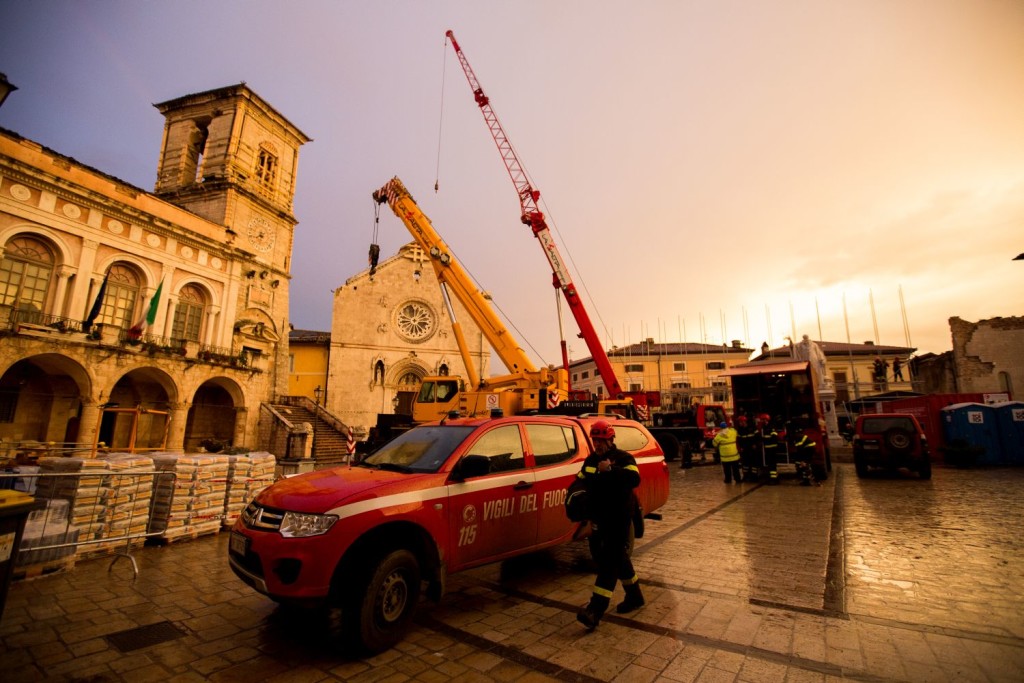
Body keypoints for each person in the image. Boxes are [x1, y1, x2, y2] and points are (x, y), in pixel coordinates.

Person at [576, 419, 644, 631]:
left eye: (602, 440)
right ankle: (635, 597)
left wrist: (610, 470)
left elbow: (634, 479)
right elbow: (580, 480)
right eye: (595, 440)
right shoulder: (589, 460)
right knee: (618, 558)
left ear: (611, 440)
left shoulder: (623, 458)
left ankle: (595, 610)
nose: (598, 444)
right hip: (600, 517)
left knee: (609, 561)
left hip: (619, 517)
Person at [758, 414, 780, 484]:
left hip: (772, 448)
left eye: (762, 420)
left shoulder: (771, 427)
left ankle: (774, 480)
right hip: (768, 448)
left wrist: (763, 438)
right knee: (770, 464)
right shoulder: (765, 427)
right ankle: (773, 478)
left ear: (766, 420)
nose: (762, 421)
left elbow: (774, 437)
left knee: (772, 464)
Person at [735, 414, 758, 482]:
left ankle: (754, 477)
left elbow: (757, 436)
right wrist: (741, 447)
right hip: (745, 449)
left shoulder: (752, 428)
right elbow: (739, 439)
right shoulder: (740, 430)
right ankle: (746, 476)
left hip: (752, 448)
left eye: (740, 422)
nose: (739, 423)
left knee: (753, 463)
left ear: (744, 422)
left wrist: (755, 444)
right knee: (745, 464)